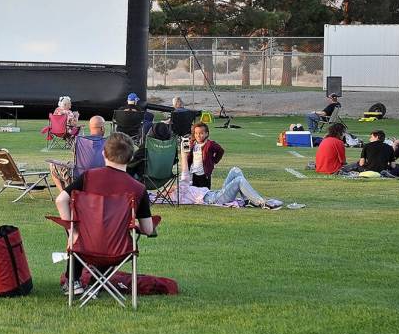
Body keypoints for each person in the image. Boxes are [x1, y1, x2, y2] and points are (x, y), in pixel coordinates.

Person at [55, 132, 153, 295]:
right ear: (130, 158)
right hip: (118, 251)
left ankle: (73, 281)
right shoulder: (138, 188)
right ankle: (97, 281)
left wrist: (73, 233)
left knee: (81, 224)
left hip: (83, 247)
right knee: (111, 229)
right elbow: (148, 229)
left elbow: (60, 200)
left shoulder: (88, 177)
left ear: (104, 154)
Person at [172, 144, 282, 208]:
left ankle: (247, 200)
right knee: (239, 180)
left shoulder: (179, 190)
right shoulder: (177, 195)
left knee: (235, 170)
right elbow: (185, 176)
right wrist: (183, 155)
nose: (169, 188)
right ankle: (262, 203)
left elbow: (187, 181)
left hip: (215, 193)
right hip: (214, 199)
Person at [49, 116, 106, 192]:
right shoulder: (110, 142)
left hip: (78, 181)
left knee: (52, 165)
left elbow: (63, 133)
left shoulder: (78, 141)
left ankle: (64, 194)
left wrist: (73, 126)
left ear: (90, 127)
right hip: (102, 180)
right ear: (102, 128)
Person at [187, 122, 224, 188]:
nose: (198, 135)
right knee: (195, 193)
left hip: (204, 175)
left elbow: (221, 151)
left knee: (204, 194)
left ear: (206, 134)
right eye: (196, 133)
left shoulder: (210, 144)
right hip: (194, 173)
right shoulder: (193, 143)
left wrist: (214, 161)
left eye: (201, 133)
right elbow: (189, 157)